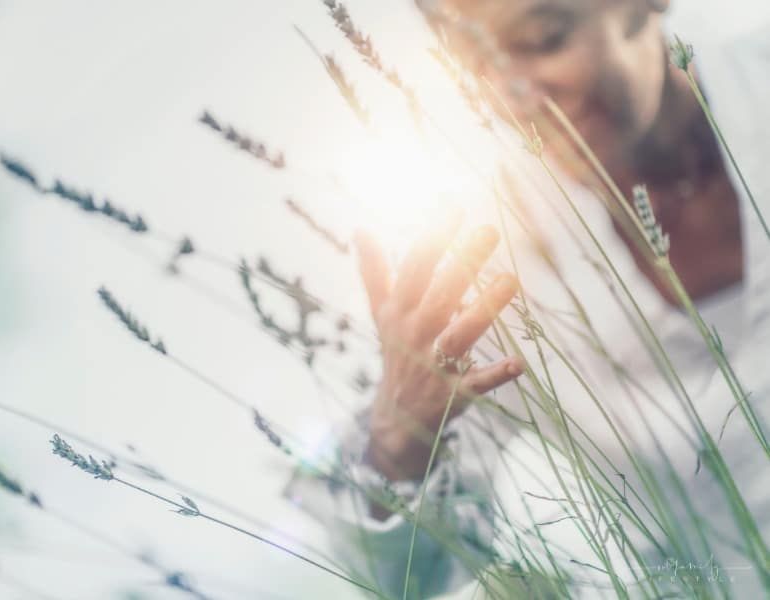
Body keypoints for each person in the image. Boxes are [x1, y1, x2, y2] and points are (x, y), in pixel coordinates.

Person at [285, 1, 769, 598]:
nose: (513, 91)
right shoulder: (494, 270)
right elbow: (403, 577)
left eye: (543, 39)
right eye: (477, 66)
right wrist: (398, 443)